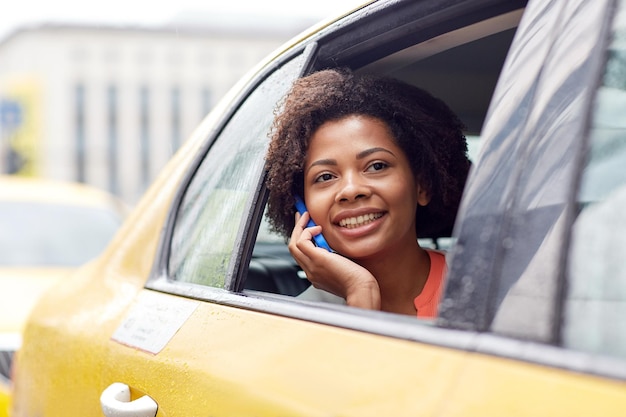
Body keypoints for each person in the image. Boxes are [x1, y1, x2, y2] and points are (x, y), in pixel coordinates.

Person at [264, 68, 470, 317]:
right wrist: (360, 290)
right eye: (325, 177)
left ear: (422, 186)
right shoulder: (294, 322)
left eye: (376, 166)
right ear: (301, 206)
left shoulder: (484, 287)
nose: (351, 191)